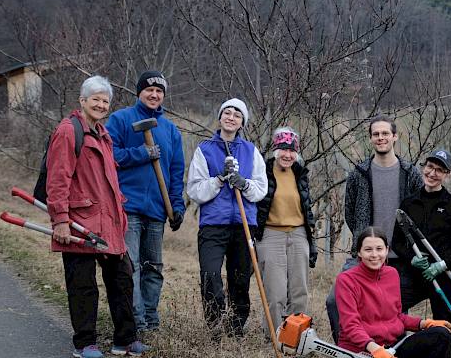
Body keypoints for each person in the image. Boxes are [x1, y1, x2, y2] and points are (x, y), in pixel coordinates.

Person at [47, 76, 148, 358]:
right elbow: (58, 180)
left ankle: (124, 340)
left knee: (122, 279)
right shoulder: (68, 131)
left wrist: (120, 217)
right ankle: (85, 344)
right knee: (83, 285)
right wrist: (60, 220)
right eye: (96, 99)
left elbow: (110, 182)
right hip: (79, 221)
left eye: (105, 101)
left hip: (108, 223)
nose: (101, 105)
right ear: (82, 100)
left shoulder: (104, 134)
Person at [325, 114, 423, 342]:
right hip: (364, 255)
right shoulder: (359, 174)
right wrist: (365, 242)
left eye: (385, 133)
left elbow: (419, 213)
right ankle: (348, 350)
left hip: (400, 258)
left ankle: (390, 351)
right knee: (333, 301)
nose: (381, 138)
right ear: (370, 138)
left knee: (397, 313)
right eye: (376, 134)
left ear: (395, 137)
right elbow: (350, 212)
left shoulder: (410, 173)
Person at [105, 70, 186, 333]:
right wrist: (140, 153)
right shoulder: (121, 119)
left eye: (159, 91)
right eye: (149, 90)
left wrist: (177, 206)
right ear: (139, 92)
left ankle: (151, 320)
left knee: (154, 267)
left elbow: (176, 172)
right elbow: (107, 155)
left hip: (157, 210)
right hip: (128, 206)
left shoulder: (170, 130)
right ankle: (136, 321)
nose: (154, 95)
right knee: (131, 266)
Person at [186, 98, 268, 338]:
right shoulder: (205, 150)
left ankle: (235, 327)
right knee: (210, 275)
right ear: (220, 117)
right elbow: (195, 190)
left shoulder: (251, 151)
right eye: (227, 113)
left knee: (240, 278)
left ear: (242, 123)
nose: (231, 117)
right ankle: (215, 324)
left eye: (237, 115)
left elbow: (261, 189)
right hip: (213, 224)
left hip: (244, 224)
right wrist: (219, 179)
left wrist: (244, 183)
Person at [391, 149, 451, 358]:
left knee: (448, 330)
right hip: (415, 274)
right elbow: (396, 242)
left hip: (445, 275)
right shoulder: (409, 203)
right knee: (389, 311)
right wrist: (412, 259)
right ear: (423, 168)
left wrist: (443, 264)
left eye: (439, 170)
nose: (432, 173)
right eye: (430, 167)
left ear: (447, 175)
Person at [336, 227, 451, 358]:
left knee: (441, 334)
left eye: (379, 249)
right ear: (359, 252)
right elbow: (350, 325)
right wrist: (375, 349)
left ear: (387, 250)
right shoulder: (347, 280)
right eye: (368, 249)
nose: (374, 255)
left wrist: (425, 323)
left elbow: (397, 316)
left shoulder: (392, 274)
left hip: (392, 348)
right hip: (361, 350)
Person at [256, 127, 317, 333]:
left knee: (299, 290)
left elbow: (305, 205)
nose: (288, 155)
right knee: (275, 292)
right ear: (276, 149)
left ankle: (295, 335)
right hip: (271, 233)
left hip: (299, 233)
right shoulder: (263, 171)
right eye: (283, 149)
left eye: (292, 150)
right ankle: (273, 336)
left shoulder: (300, 173)